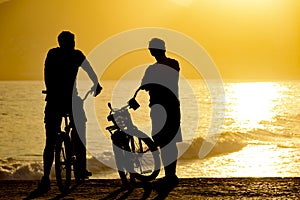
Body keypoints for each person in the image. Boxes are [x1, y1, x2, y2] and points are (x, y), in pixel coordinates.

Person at [37, 31, 102, 193]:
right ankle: (78, 168)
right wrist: (96, 84)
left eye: (73, 41)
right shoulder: (73, 55)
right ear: (62, 42)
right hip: (68, 100)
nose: (73, 43)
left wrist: (96, 82)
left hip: (56, 100)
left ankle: (48, 177)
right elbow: (90, 71)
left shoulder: (55, 54)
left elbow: (90, 71)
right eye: (70, 41)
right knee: (75, 131)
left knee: (52, 139)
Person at [136, 38, 182, 186]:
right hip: (174, 107)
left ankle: (170, 176)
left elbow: (145, 85)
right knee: (171, 142)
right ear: (164, 48)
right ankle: (171, 175)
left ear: (152, 51)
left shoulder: (152, 69)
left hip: (158, 108)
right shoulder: (174, 64)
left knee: (163, 142)